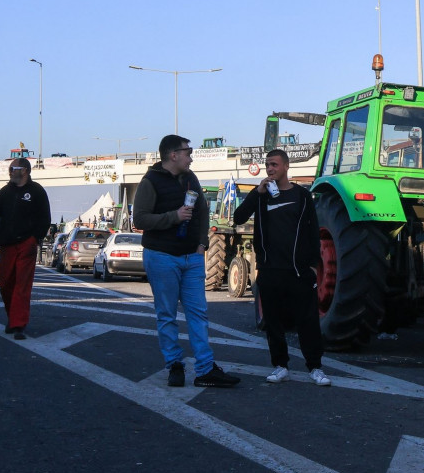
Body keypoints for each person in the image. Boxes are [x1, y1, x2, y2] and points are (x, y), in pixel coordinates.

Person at [133, 134, 239, 388]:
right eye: (187, 152)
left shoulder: (191, 178)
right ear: (173, 155)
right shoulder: (150, 182)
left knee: (198, 313)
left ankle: (205, 369)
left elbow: (202, 211)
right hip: (161, 257)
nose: (191, 157)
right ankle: (175, 365)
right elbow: (140, 219)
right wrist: (174, 216)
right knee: (167, 314)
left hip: (192, 257)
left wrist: (202, 244)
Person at [232, 149, 330, 386]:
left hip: (298, 271)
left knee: (307, 321)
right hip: (270, 270)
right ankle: (280, 366)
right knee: (273, 322)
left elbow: (312, 231)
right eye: (267, 165)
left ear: (286, 166)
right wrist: (256, 193)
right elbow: (238, 218)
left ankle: (315, 368)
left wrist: (312, 266)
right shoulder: (262, 195)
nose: (270, 169)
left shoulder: (301, 195)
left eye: (274, 164)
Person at [0, 157, 50, 341]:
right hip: (7, 245)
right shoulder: (5, 192)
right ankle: (12, 318)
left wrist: (35, 238)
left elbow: (45, 218)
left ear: (24, 171)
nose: (10, 171)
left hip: (26, 244)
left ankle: (19, 324)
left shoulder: (37, 191)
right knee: (6, 283)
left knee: (22, 285)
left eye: (13, 168)